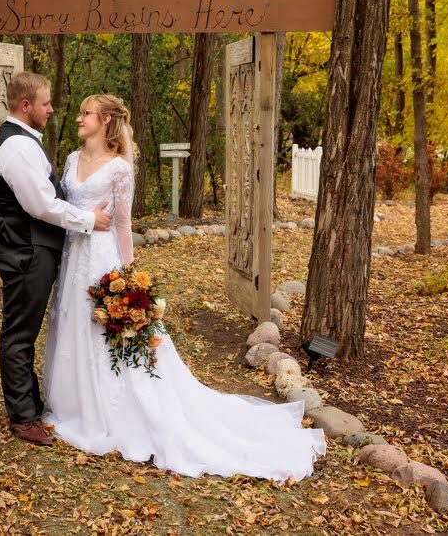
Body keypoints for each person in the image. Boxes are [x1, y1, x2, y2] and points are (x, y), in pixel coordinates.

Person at [42, 93, 327, 480]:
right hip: (73, 257)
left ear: (106, 121)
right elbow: (65, 209)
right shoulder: (73, 160)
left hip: (102, 261)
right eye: (80, 112)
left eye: (86, 113)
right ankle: (74, 405)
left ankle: (112, 410)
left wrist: (127, 277)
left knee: (109, 333)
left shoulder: (119, 168)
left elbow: (123, 224)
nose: (79, 118)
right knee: (73, 323)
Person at [0, 72, 112, 446]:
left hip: (32, 247)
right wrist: (88, 220)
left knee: (26, 328)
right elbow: (40, 205)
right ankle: (23, 417)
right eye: (45, 103)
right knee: (20, 331)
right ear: (26, 106)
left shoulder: (24, 142)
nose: (51, 109)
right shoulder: (16, 147)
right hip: (25, 248)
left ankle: (30, 403)